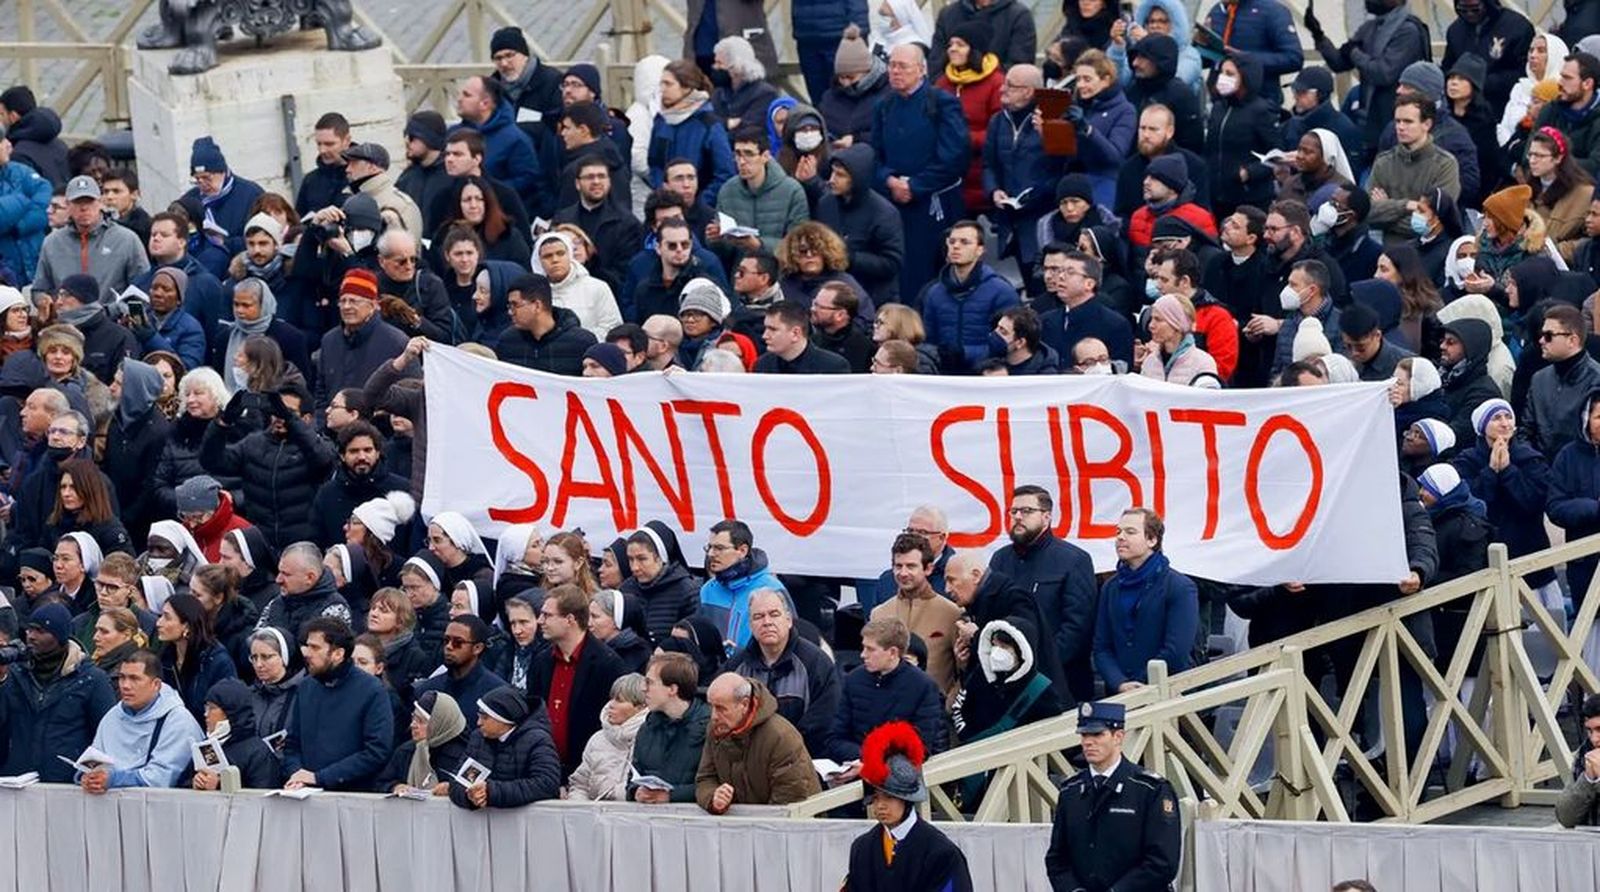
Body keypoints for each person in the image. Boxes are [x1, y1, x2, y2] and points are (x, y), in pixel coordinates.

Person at [1044, 701, 1181, 889]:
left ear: (1118, 737)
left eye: (1097, 734)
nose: (1088, 742)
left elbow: (1162, 862)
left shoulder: (1150, 789)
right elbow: (1057, 859)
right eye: (1084, 734)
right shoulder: (1071, 791)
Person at [872, 44, 970, 301]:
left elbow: (954, 156)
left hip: (934, 203)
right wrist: (890, 180)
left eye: (902, 66)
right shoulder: (883, 106)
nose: (895, 71)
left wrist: (915, 186)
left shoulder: (942, 103)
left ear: (921, 69)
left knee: (932, 273)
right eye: (892, 65)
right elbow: (874, 155)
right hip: (894, 203)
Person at [988, 484, 1098, 706]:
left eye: (1027, 511)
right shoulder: (1000, 560)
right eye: (1013, 511)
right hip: (1009, 681)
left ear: (1046, 517)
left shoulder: (1073, 560)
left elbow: (1077, 627)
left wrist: (1039, 664)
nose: (1018, 517)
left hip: (1061, 684)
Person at [841, 719, 973, 891]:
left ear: (906, 798)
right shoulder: (862, 848)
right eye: (875, 797)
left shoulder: (941, 853)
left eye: (888, 797)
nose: (880, 805)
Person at [0, 602, 116, 782]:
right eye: (29, 630)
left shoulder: (91, 679)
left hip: (67, 783)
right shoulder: (15, 674)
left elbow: (106, 735)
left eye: (40, 631)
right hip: (16, 780)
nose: (31, 636)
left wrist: (93, 773)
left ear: (59, 636)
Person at [1306, 0, 1430, 166]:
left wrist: (1355, 53)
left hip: (1394, 118)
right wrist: (1318, 35)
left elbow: (1384, 73)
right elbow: (1340, 63)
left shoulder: (1408, 31)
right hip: (1367, 121)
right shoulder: (1370, 28)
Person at [527, 583, 628, 778]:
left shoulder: (607, 664)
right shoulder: (541, 661)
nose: (540, 621)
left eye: (547, 615)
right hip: (545, 770)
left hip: (589, 771)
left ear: (570, 619)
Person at [721, 588, 839, 756]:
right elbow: (723, 717)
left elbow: (823, 721)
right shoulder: (736, 667)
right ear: (750, 625)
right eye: (758, 617)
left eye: (774, 614)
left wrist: (781, 750)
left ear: (789, 620)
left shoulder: (816, 663)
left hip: (802, 758)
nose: (767, 622)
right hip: (747, 758)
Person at [1092, 509, 1199, 692]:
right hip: (1119, 695)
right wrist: (1119, 683)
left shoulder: (1179, 586)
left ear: (1152, 540)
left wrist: (1140, 684)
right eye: (1118, 532)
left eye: (1130, 532)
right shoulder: (1110, 587)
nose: (1120, 537)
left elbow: (1176, 651)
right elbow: (1101, 647)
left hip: (1166, 694)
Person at [280, 616, 393, 790]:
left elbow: (376, 752)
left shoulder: (372, 690)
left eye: (315, 647)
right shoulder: (306, 687)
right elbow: (292, 744)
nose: (307, 653)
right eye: (307, 645)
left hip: (353, 799)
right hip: (304, 793)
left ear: (338, 654)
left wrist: (321, 777)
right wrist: (296, 773)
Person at [827, 615, 946, 769]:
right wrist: (864, 759)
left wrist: (872, 762)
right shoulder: (853, 680)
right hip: (855, 771)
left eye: (870, 649)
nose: (863, 655)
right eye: (863, 647)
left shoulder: (923, 686)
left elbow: (921, 747)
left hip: (899, 780)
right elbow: (835, 739)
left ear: (892, 653)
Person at [78, 649, 205, 793]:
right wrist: (87, 777)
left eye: (134, 679)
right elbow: (94, 759)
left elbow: (160, 778)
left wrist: (113, 779)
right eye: (122, 677)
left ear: (156, 684)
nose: (125, 685)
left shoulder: (178, 721)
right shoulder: (112, 716)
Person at [695, 673, 821, 811]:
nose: (713, 716)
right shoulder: (716, 729)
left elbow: (788, 798)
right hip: (744, 824)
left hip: (794, 825)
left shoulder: (780, 737)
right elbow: (705, 778)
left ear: (744, 704)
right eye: (711, 706)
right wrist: (713, 798)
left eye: (721, 709)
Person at [919, 220, 1019, 373]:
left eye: (964, 242)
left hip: (987, 376)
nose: (956, 246)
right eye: (952, 242)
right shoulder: (934, 293)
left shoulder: (1001, 291)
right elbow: (928, 339)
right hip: (944, 377)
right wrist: (939, 355)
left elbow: (1009, 342)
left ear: (980, 250)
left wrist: (964, 353)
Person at [31, 176, 149, 299]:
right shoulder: (52, 242)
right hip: (67, 316)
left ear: (100, 202)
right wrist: (44, 301)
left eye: (89, 201)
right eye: (78, 202)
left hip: (112, 317)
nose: (84, 208)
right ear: (68, 205)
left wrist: (114, 310)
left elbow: (141, 290)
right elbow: (39, 288)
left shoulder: (127, 240)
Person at [815, 145, 905, 306]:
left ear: (857, 178)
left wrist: (851, 258)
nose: (832, 180)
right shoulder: (826, 204)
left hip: (874, 297)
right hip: (832, 296)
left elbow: (892, 263)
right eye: (832, 172)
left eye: (840, 175)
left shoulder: (884, 213)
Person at [447, 684, 562, 809]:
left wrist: (493, 793)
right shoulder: (478, 739)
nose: (478, 723)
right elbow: (458, 782)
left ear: (504, 719)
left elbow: (547, 784)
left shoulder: (537, 740)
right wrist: (471, 796)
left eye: (485, 717)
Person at [1369, 97, 1463, 244]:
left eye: (1408, 121)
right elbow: (1369, 213)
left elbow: (1432, 223)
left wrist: (1387, 210)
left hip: (1429, 252)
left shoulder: (1445, 164)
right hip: (1390, 254)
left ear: (1426, 124)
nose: (1400, 127)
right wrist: (1406, 205)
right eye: (1397, 121)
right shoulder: (1384, 162)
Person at [453, 76, 547, 217]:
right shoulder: (454, 135)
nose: (459, 99)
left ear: (485, 104)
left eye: (467, 95)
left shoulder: (515, 139)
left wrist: (487, 190)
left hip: (500, 217)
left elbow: (528, 179)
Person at [630, 652, 710, 803]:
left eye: (650, 682)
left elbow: (714, 783)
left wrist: (672, 795)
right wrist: (636, 791)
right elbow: (633, 777)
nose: (643, 688)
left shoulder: (710, 727)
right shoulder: (647, 728)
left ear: (672, 689)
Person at [715, 125, 810, 253]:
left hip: (780, 269)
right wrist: (716, 239)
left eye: (749, 154)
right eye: (737, 154)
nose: (742, 161)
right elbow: (723, 252)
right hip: (740, 269)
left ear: (765, 156)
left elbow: (797, 244)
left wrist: (760, 245)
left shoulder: (792, 191)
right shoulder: (727, 191)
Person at [697, 519, 789, 649]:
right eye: (709, 547)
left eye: (719, 548)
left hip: (757, 667)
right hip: (716, 668)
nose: (711, 554)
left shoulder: (773, 589)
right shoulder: (707, 590)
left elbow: (789, 637)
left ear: (742, 551)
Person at [1525, 304, 1600, 459]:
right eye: (1541, 334)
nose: (1541, 341)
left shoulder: (1597, 380)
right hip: (1538, 473)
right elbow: (1525, 430)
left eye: (1548, 335)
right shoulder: (1539, 379)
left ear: (1572, 340)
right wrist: (1534, 465)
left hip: (1580, 475)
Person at [564, 672, 648, 801]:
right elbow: (579, 785)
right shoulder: (597, 740)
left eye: (619, 700)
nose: (611, 705)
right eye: (612, 698)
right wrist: (581, 811)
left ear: (640, 707)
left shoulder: (652, 739)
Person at [495, 273, 598, 375]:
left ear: (537, 306)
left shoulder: (582, 342)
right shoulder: (507, 341)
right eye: (509, 306)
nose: (510, 312)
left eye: (515, 305)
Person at [1202, 0, 1304, 103]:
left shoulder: (1273, 11)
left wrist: (1246, 60)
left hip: (1259, 104)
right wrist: (1199, 47)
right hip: (1217, 101)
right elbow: (1207, 60)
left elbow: (1293, 58)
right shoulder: (1217, 11)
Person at [155, 593, 235, 723]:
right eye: (161, 616)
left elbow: (227, 708)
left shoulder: (216, 661)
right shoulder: (165, 657)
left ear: (186, 625)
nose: (159, 622)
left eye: (167, 617)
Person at [180, 136, 265, 256]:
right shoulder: (189, 200)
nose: (202, 184)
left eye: (207, 178)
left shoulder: (251, 194)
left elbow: (263, 237)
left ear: (223, 172)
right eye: (197, 179)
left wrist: (225, 243)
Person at [190, 677, 280, 790]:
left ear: (230, 711)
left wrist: (219, 785)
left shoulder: (258, 753)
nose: (206, 714)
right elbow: (180, 784)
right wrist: (195, 783)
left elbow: (263, 798)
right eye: (206, 707)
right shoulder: (205, 746)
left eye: (212, 708)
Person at [375, 689, 469, 796]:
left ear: (438, 724)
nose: (413, 725)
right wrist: (395, 786)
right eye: (413, 718)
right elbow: (381, 783)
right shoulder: (406, 751)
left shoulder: (465, 756)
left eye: (421, 721)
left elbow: (475, 789)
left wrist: (453, 789)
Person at [617, 522, 700, 641]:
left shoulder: (687, 591)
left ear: (661, 558)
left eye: (642, 559)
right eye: (630, 559)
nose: (634, 567)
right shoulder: (626, 589)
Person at [1498, 31, 1570, 146]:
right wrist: (1510, 147)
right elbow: (1503, 126)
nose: (1533, 55)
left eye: (1541, 51)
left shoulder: (1561, 91)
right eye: (1531, 50)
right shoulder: (1520, 87)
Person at [927, 0, 1036, 75]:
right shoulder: (948, 14)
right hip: (950, 93)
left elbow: (1019, 66)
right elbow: (936, 62)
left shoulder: (1019, 16)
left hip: (997, 95)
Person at [0, 126, 51, 283]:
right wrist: (23, 199)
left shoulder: (21, 172)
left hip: (35, 267)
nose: (8, 144)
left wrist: (20, 225)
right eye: (1, 141)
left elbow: (45, 202)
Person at [1139, 293, 1218, 386]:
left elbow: (1207, 399)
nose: (1151, 325)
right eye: (1151, 319)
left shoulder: (1203, 363)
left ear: (1177, 324)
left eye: (1158, 319)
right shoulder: (1150, 361)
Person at [753, 300, 851, 373]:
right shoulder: (762, 365)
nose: (764, 336)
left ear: (795, 333)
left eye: (773, 329)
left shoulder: (833, 367)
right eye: (765, 328)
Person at [1556, 693, 1600, 827]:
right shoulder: (1585, 752)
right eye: (1590, 730)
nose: (1594, 739)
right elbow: (1565, 818)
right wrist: (1588, 779)